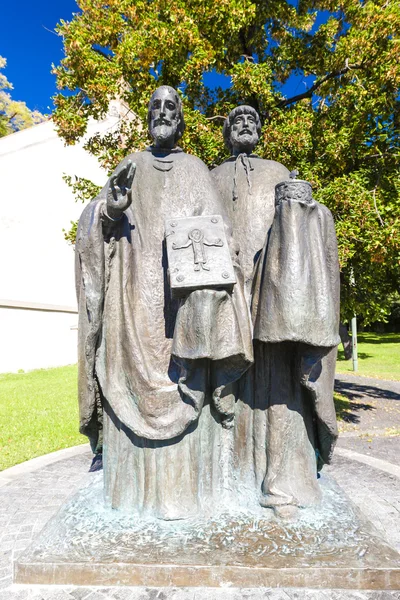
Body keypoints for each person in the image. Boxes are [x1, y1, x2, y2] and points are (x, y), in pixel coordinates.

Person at [75, 86, 252, 520]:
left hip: (184, 305)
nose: (162, 111)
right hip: (133, 300)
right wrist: (110, 211)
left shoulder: (195, 169)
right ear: (148, 116)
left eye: (171, 106)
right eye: (154, 105)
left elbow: (218, 234)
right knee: (125, 372)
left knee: (188, 369)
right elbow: (97, 220)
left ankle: (191, 494)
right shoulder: (130, 165)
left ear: (181, 117)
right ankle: (131, 495)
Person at [212, 106, 340, 514]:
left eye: (252, 118)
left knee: (278, 393)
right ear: (227, 132)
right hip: (227, 295)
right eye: (236, 120)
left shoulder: (278, 171)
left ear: (260, 131)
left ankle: (281, 482)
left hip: (274, 297)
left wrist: (308, 209)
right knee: (227, 389)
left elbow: (302, 226)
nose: (244, 123)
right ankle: (224, 482)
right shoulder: (211, 176)